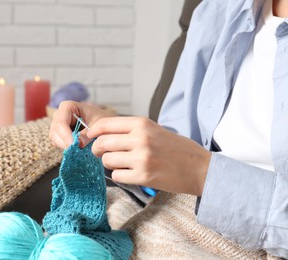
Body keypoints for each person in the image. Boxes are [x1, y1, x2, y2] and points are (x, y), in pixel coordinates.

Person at [49, 0, 288, 258]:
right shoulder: (217, 10)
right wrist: (114, 137)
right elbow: (175, 148)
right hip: (171, 214)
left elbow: (192, 166)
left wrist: (204, 175)